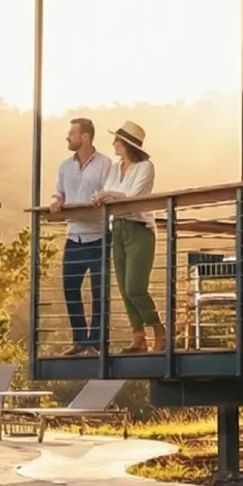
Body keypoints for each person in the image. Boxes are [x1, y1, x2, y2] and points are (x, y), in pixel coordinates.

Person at [47, 118, 115, 355]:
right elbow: (59, 193)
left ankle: (95, 343)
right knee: (70, 287)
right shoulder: (65, 166)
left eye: (71, 133)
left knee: (99, 292)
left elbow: (108, 192)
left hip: (98, 236)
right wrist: (56, 201)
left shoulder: (105, 164)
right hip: (74, 236)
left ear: (85, 137)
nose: (68, 137)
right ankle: (80, 340)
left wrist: (101, 198)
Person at [94, 122, 163, 352]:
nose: (113, 143)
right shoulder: (115, 168)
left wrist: (108, 195)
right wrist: (106, 195)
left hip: (139, 228)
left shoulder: (145, 167)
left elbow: (133, 197)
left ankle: (157, 328)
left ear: (126, 144)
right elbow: (109, 192)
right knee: (124, 287)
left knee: (135, 286)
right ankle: (138, 336)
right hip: (119, 227)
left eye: (117, 140)